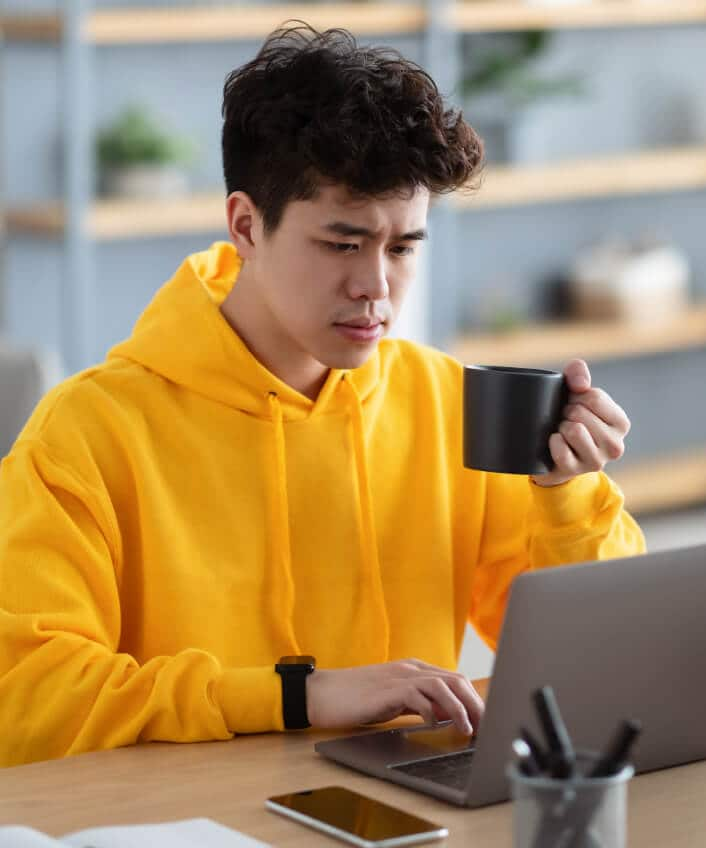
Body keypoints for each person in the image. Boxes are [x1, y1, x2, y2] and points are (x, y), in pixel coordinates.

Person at [0, 23, 644, 768]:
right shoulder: (88, 431)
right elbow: (24, 700)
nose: (377, 287)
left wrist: (566, 492)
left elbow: (596, 668)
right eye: (344, 243)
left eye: (403, 247)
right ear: (246, 225)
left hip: (402, 810)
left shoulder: (443, 401)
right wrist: (297, 696)